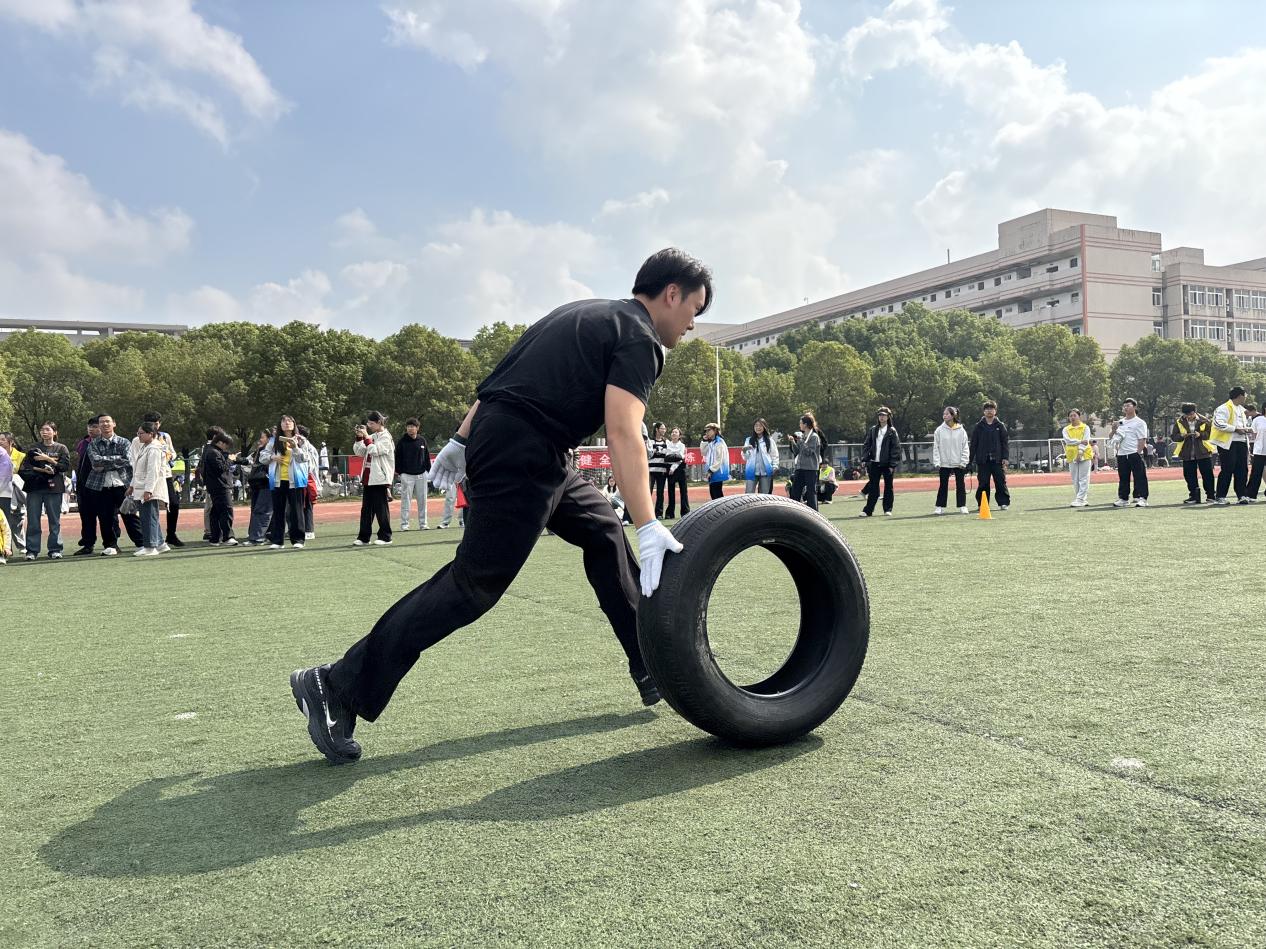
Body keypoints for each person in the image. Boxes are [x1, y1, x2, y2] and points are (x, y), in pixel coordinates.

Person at [289, 247, 708, 764]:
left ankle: (648, 663)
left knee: (602, 530)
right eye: (695, 309)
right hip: (523, 451)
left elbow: (497, 385)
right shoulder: (640, 338)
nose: (693, 324)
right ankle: (336, 686)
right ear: (672, 294)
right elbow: (624, 431)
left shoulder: (583, 312)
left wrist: (461, 439)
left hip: (537, 448)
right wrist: (646, 524)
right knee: (473, 585)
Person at [86, 414, 144, 555]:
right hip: (101, 485)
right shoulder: (93, 444)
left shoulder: (124, 442)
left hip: (122, 483)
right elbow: (95, 461)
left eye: (107, 421)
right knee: (105, 517)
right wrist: (116, 460)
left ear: (114, 423)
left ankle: (141, 542)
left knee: (129, 514)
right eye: (102, 422)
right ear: (99, 426)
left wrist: (104, 462)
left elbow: (127, 460)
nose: (105, 424)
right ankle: (110, 545)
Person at [19, 421, 71, 560]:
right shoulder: (34, 447)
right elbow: (26, 466)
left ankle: (55, 549)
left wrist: (48, 459)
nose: (44, 432)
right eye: (42, 430)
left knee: (54, 520)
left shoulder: (61, 448)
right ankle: (32, 551)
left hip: (54, 487)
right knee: (33, 520)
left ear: (55, 432)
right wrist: (42, 470)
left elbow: (64, 467)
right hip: (35, 487)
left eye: (48, 429)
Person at [261, 415, 311, 549]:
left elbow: (304, 458)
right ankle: (278, 541)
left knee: (296, 511)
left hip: (296, 480)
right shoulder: (273, 441)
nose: (286, 423)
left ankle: (298, 540)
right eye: (283, 421)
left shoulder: (301, 440)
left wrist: (295, 448)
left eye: (289, 421)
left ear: (294, 424)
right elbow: (262, 457)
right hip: (277, 480)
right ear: (280, 425)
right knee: (278, 511)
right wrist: (273, 457)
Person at [353, 410, 395, 546]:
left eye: (371, 423)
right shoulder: (372, 436)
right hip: (368, 476)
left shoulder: (386, 437)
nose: (369, 426)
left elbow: (375, 451)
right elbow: (359, 452)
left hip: (380, 478)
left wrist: (366, 437)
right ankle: (364, 537)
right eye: (368, 424)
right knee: (366, 509)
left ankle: (386, 536)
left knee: (381, 509)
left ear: (379, 422)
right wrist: (359, 437)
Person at [127, 421, 170, 556]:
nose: (138, 436)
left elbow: (153, 471)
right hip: (141, 486)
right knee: (150, 516)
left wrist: (149, 490)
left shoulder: (154, 449)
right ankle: (160, 543)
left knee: (148, 517)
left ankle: (150, 547)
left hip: (150, 488)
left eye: (141, 433)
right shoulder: (145, 446)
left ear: (150, 434)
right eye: (138, 433)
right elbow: (138, 470)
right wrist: (132, 486)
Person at [142, 412, 184, 548]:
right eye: (152, 423)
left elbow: (173, 452)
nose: (155, 426)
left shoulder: (165, 436)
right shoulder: (141, 437)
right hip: (150, 475)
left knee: (174, 503)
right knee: (151, 507)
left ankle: (171, 534)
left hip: (165, 474)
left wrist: (170, 456)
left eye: (157, 423)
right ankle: (153, 536)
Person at [1211, 386, 1252, 505]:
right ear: (1240, 396)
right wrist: (1235, 429)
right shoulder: (1223, 408)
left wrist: (1246, 429)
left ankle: (1241, 495)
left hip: (1242, 442)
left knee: (1242, 469)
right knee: (1227, 469)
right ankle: (1220, 496)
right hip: (1228, 443)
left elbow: (1242, 425)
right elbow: (1218, 423)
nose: (1246, 397)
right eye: (1245, 395)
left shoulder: (1242, 410)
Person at [969, 401, 1011, 511]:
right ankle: (982, 503)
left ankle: (1003, 503)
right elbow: (973, 444)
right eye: (987, 409)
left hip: (997, 460)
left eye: (991, 409)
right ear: (984, 411)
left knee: (1000, 482)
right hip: (983, 460)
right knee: (983, 483)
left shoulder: (1000, 426)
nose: (989, 411)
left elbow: (1005, 443)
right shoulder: (978, 426)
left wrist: (1005, 458)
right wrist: (969, 460)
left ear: (995, 411)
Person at [1171, 403, 1216, 504]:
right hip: (1187, 452)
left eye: (1190, 414)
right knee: (1189, 475)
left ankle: (1211, 496)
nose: (1188, 416)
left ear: (1195, 412)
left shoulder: (1205, 420)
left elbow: (1211, 434)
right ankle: (1194, 496)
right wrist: (1182, 436)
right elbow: (1174, 436)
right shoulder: (1179, 421)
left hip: (1203, 451)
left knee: (1207, 474)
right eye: (1186, 414)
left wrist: (1200, 435)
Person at [1109, 398, 1150, 507]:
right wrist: (1113, 429)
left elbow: (1142, 439)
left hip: (1134, 453)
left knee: (1140, 477)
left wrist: (1138, 452)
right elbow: (1111, 437)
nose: (1126, 408)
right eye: (1124, 406)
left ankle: (1142, 498)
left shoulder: (1140, 422)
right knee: (1123, 477)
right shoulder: (1120, 422)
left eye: (1128, 405)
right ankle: (1123, 498)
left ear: (1135, 407)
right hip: (1122, 454)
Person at [860, 406, 900, 518]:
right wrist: (865, 458)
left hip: (887, 464)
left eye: (884, 415)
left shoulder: (892, 431)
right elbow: (867, 444)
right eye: (880, 415)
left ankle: (887, 509)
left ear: (888, 417)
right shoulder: (873, 430)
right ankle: (868, 511)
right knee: (873, 487)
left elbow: (896, 448)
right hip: (874, 462)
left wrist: (892, 464)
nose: (881, 417)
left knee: (888, 487)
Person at [201, 427, 237, 546]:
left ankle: (215, 538)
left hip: (215, 486)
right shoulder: (213, 453)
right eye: (226, 445)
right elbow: (220, 468)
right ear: (220, 442)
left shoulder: (212, 450)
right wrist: (230, 460)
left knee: (216, 512)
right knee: (226, 510)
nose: (226, 448)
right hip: (220, 486)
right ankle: (227, 537)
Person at [72, 416, 102, 555]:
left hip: (100, 484)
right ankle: (88, 543)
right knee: (86, 515)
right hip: (83, 485)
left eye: (95, 427)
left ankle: (111, 543)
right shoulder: (83, 443)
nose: (91, 429)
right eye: (89, 427)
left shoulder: (104, 442)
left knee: (107, 515)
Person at [932, 405, 970, 514]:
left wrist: (964, 461)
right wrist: (937, 461)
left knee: (960, 485)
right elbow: (936, 447)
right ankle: (939, 506)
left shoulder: (961, 430)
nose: (944, 416)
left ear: (953, 415)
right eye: (944, 414)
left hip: (958, 463)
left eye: (947, 414)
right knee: (943, 485)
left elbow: (965, 447)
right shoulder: (939, 430)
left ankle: (962, 506)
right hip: (944, 463)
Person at [395, 417, 431, 531]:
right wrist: (401, 472)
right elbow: (397, 458)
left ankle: (423, 524)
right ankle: (404, 525)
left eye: (412, 426)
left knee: (423, 501)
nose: (410, 428)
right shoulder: (402, 442)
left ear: (417, 428)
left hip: (421, 474)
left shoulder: (422, 440)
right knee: (406, 501)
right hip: (407, 475)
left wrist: (428, 471)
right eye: (408, 426)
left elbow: (427, 456)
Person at [243, 430, 274, 545]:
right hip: (258, 483)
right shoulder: (260, 450)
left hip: (267, 482)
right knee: (258, 509)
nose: (260, 440)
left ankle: (258, 537)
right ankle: (261, 535)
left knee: (263, 510)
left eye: (263, 437)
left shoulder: (270, 450)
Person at [788, 413, 823, 510]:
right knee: (795, 491)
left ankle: (814, 513)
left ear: (805, 424)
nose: (799, 425)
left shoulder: (814, 437)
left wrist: (800, 441)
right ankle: (793, 511)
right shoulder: (803, 436)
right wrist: (793, 442)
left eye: (801, 423)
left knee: (811, 492)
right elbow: (797, 451)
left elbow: (809, 452)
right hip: (800, 467)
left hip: (810, 468)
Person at [1061, 408, 1094, 508]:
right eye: (1070, 416)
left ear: (1079, 416)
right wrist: (1079, 441)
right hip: (1071, 455)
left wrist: (1080, 453)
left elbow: (1086, 441)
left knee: (1084, 478)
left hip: (1085, 454)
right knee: (1075, 479)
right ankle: (1080, 499)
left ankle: (1080, 499)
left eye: (1074, 415)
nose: (1072, 417)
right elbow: (1068, 441)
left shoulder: (1085, 427)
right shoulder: (1066, 429)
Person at [742, 418, 778, 495]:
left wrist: (775, 466)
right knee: (749, 494)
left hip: (766, 472)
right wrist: (744, 451)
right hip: (752, 472)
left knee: (764, 495)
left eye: (760, 426)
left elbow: (774, 455)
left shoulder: (769, 440)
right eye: (756, 425)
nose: (758, 427)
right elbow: (745, 458)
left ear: (764, 427)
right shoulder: (749, 440)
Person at [663, 426, 689, 519]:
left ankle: (685, 512)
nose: (674, 433)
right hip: (670, 470)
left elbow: (680, 458)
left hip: (680, 469)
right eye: (673, 432)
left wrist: (673, 467)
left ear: (679, 435)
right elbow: (667, 457)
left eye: (676, 432)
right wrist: (675, 457)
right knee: (671, 492)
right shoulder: (667, 444)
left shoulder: (682, 445)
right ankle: (670, 513)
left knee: (683, 491)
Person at [647, 422, 671, 516]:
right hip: (651, 471)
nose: (664, 430)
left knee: (660, 493)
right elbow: (648, 454)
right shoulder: (650, 441)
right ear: (657, 429)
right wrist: (655, 450)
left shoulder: (667, 442)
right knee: (648, 492)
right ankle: (647, 513)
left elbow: (668, 455)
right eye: (662, 428)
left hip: (662, 471)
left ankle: (659, 513)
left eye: (664, 428)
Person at [701, 423, 729, 501]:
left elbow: (719, 459)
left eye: (709, 430)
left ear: (715, 430)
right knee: (713, 493)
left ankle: (722, 509)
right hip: (712, 471)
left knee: (717, 494)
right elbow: (703, 452)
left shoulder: (719, 442)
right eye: (706, 431)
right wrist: (704, 441)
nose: (706, 433)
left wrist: (711, 470)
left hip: (718, 471)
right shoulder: (711, 442)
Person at [1248, 403, 1266, 501]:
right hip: (1260, 450)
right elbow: (1253, 434)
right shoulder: (1258, 420)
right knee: (1256, 473)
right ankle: (1251, 494)